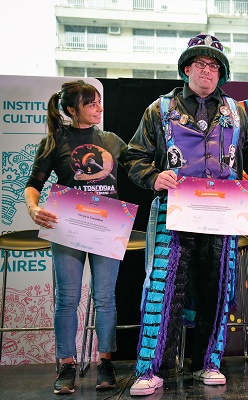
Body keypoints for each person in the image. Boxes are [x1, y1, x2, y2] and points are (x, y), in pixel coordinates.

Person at [125, 34, 248, 395]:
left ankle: (207, 362)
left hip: (221, 211)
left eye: (213, 66)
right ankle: (150, 369)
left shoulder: (236, 111)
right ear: (186, 69)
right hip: (174, 210)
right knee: (163, 288)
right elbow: (134, 156)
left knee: (217, 286)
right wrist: (153, 176)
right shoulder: (159, 108)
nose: (206, 70)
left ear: (221, 73)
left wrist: (247, 184)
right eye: (200, 64)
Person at [24, 80, 127, 394]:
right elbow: (33, 185)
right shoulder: (54, 142)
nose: (99, 108)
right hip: (68, 224)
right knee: (67, 298)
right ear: (72, 110)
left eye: (98, 102)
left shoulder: (111, 140)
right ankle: (66, 365)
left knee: (105, 298)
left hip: (107, 224)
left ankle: (105, 362)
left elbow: (140, 166)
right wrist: (33, 208)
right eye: (91, 104)